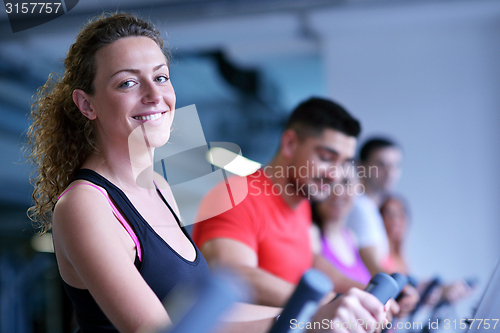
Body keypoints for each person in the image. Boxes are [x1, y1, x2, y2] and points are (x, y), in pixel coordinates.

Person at [26, 13, 392, 333]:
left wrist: (316, 313)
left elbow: (209, 312)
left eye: (162, 77)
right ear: (86, 104)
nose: (156, 95)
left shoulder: (160, 187)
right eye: (128, 82)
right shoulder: (84, 206)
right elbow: (160, 329)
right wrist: (308, 320)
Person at [192, 97, 385, 309]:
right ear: (290, 144)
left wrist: (367, 295)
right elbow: (235, 275)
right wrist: (330, 303)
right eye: (327, 158)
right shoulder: (233, 195)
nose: (335, 175)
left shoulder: (301, 202)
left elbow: (310, 262)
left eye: (343, 163)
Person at [380, 196, 474, 306]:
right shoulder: (379, 252)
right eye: (389, 214)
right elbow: (398, 286)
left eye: (400, 215)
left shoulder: (401, 258)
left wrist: (440, 290)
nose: (395, 220)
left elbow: (410, 288)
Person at [345, 138, 402, 276]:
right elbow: (376, 269)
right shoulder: (360, 207)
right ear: (361, 167)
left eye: (395, 165)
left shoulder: (371, 208)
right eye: (381, 164)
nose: (390, 172)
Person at [310, 174, 372, 286]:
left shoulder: (351, 238)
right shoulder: (311, 233)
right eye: (330, 183)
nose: (338, 191)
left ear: (359, 186)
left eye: (346, 183)